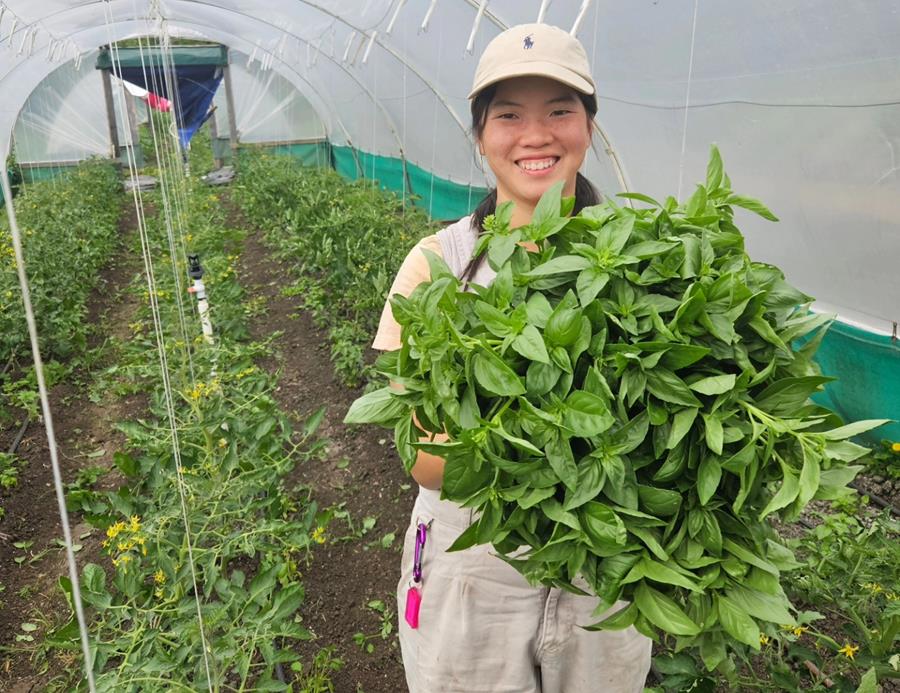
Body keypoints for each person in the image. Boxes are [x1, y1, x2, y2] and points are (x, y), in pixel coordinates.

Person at [372, 23, 652, 693]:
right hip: (476, 567)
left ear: (588, 125)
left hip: (601, 563)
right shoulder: (435, 266)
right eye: (509, 115)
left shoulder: (642, 263)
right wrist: (562, 439)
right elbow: (425, 457)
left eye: (560, 110)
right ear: (479, 135)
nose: (537, 135)